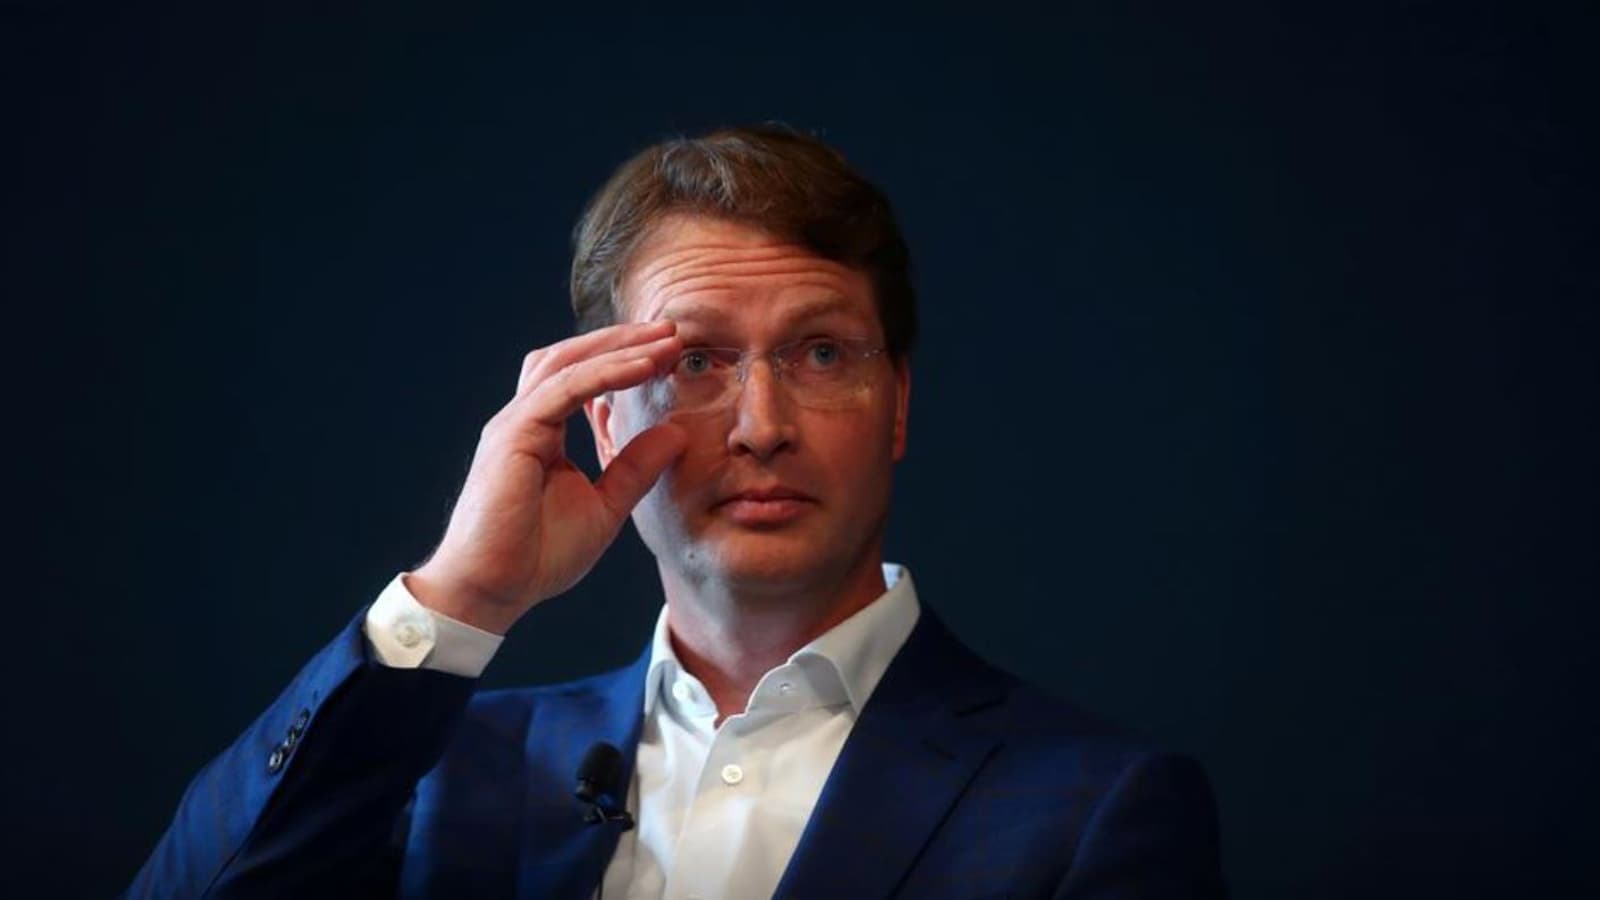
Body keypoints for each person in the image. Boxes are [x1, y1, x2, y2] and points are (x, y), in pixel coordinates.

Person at [127, 124, 1226, 899]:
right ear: (604, 422)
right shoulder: (435, 772)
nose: (761, 426)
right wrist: (459, 597)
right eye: (695, 360)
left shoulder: (1097, 806)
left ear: (895, 404)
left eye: (821, 353)